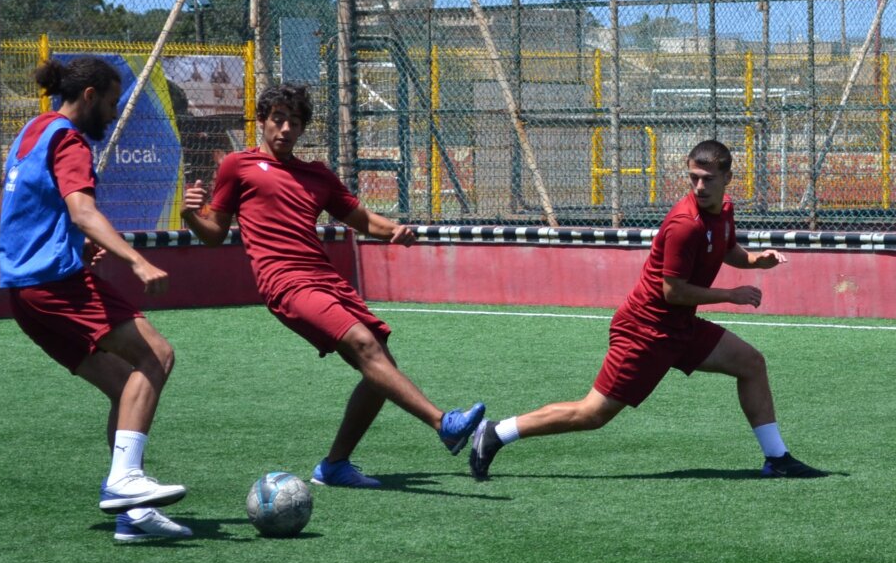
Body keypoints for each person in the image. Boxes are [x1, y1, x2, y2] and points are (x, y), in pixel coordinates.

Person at [181, 82, 484, 488]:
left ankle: (335, 466)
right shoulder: (238, 166)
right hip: (284, 282)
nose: (285, 129)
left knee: (380, 366)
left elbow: (361, 219)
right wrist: (189, 215)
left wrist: (395, 230)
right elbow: (215, 233)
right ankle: (442, 423)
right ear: (263, 121)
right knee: (364, 345)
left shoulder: (317, 174)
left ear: (303, 129)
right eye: (278, 119)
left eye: (294, 122)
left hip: (325, 278)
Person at [469, 140, 826, 481]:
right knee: (593, 414)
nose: (699, 186)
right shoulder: (685, 225)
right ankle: (496, 433)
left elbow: (726, 246)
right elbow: (673, 292)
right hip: (646, 330)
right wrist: (730, 294)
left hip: (680, 326)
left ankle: (777, 459)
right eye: (693, 178)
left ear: (727, 179)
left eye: (708, 179)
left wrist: (753, 260)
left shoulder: (724, 210)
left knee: (751, 363)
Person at [0, 56, 191, 542]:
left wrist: (68, 243)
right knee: (158, 355)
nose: (112, 113)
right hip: (55, 284)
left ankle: (135, 516)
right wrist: (136, 261)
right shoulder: (70, 140)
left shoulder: (31, 131)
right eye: (109, 103)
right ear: (88, 97)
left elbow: (20, 210)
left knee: (128, 383)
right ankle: (125, 481)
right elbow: (82, 210)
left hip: (23, 293)